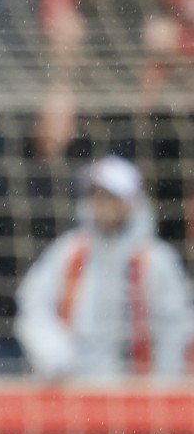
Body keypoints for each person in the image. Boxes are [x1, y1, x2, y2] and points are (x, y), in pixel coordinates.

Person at [16, 155, 193, 380]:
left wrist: (163, 382)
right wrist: (54, 352)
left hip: (134, 391)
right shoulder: (68, 252)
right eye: (96, 194)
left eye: (111, 195)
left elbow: (175, 328)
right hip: (73, 387)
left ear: (131, 201)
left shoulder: (156, 260)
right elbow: (32, 305)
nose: (103, 203)